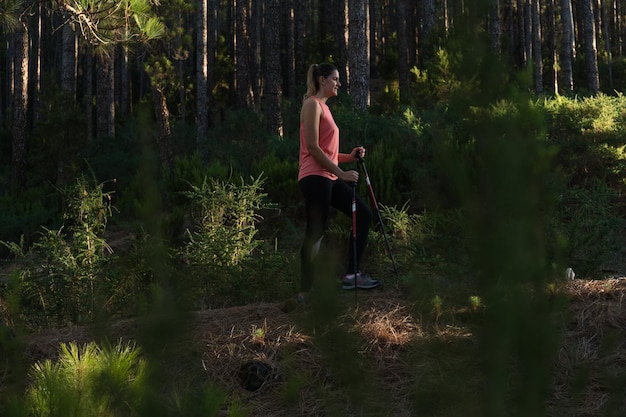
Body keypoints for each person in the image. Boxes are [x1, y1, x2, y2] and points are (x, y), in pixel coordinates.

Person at [298, 62, 381, 299]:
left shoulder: (324, 108)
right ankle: (305, 291)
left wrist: (350, 157)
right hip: (315, 177)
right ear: (322, 80)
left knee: (363, 215)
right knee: (316, 231)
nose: (339, 84)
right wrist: (342, 174)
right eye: (335, 79)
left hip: (328, 176)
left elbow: (328, 152)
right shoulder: (312, 105)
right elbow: (312, 148)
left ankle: (352, 275)